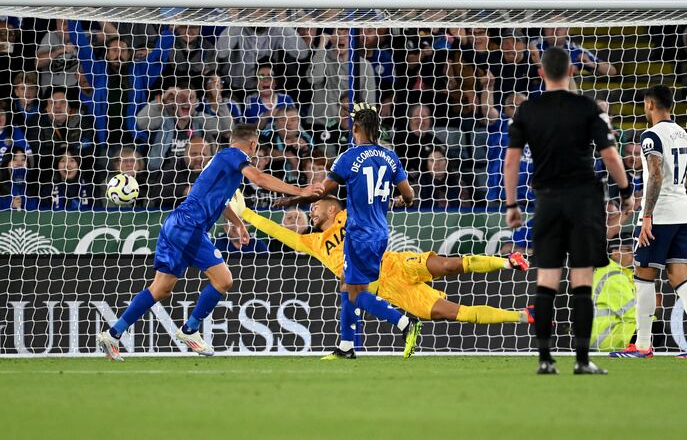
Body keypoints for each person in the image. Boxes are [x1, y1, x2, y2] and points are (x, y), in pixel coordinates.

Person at [96, 123, 322, 360]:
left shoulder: (220, 161)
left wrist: (237, 223)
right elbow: (260, 179)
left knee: (160, 289)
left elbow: (220, 200)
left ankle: (113, 334)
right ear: (253, 144)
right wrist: (301, 191)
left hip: (175, 224)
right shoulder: (235, 155)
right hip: (190, 227)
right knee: (224, 280)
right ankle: (190, 330)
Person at [229, 192, 534, 339]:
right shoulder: (315, 243)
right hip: (391, 290)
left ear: (333, 207)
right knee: (451, 313)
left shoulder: (350, 215)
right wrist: (249, 215)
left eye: (316, 205)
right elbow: (283, 233)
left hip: (396, 264)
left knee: (447, 265)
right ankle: (522, 316)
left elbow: (370, 195)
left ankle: (508, 261)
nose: (311, 211)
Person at [504, 47, 634, 375]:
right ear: (572, 72)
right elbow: (611, 156)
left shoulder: (528, 109)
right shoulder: (586, 107)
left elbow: (512, 160)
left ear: (541, 73)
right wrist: (627, 191)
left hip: (546, 200)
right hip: (584, 201)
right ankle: (581, 360)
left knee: (546, 282)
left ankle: (545, 360)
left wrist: (512, 205)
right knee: (582, 283)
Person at [275, 104, 420, 359]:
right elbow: (409, 194)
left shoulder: (349, 157)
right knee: (347, 285)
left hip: (358, 234)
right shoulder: (391, 157)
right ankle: (346, 346)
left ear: (356, 129)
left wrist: (291, 200)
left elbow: (321, 191)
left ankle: (405, 323)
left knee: (356, 292)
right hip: (380, 234)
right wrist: (400, 201)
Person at [609, 85, 687, 359]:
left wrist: (647, 216)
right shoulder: (685, 135)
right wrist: (680, 196)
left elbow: (655, 175)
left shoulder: (651, 136)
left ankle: (643, 345)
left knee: (644, 276)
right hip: (683, 212)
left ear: (649, 104)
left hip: (660, 216)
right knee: (679, 278)